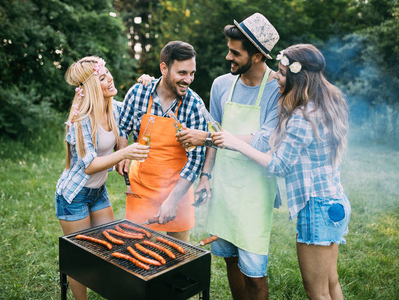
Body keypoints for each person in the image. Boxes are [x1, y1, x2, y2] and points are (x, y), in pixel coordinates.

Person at [212, 44, 351, 299]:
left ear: (299, 78)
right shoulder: (328, 102)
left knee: (317, 293)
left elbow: (279, 165)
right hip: (336, 203)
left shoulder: (302, 115)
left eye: (283, 72)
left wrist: (234, 142)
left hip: (316, 208)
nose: (276, 76)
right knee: (332, 284)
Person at [177, 13, 281, 300]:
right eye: (229, 49)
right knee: (230, 261)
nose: (228, 57)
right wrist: (206, 176)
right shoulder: (222, 84)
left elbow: (263, 140)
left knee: (255, 273)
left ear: (258, 56)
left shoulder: (277, 87)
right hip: (223, 185)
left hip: (254, 192)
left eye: (236, 52)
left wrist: (208, 137)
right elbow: (216, 131)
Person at [55, 56, 150, 300]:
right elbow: (90, 166)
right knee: (81, 257)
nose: (110, 79)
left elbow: (140, 109)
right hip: (73, 195)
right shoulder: (81, 120)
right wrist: (124, 153)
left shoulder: (115, 108)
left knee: (111, 247)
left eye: (108, 74)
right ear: (90, 88)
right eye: (103, 77)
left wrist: (146, 84)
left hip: (98, 192)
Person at [117, 41, 207, 242]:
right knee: (139, 251)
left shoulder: (194, 105)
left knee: (178, 255)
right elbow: (123, 126)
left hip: (179, 191)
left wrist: (173, 200)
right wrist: (121, 152)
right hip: (141, 188)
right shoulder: (138, 93)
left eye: (192, 73)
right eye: (182, 73)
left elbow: (196, 160)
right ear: (164, 68)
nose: (188, 79)